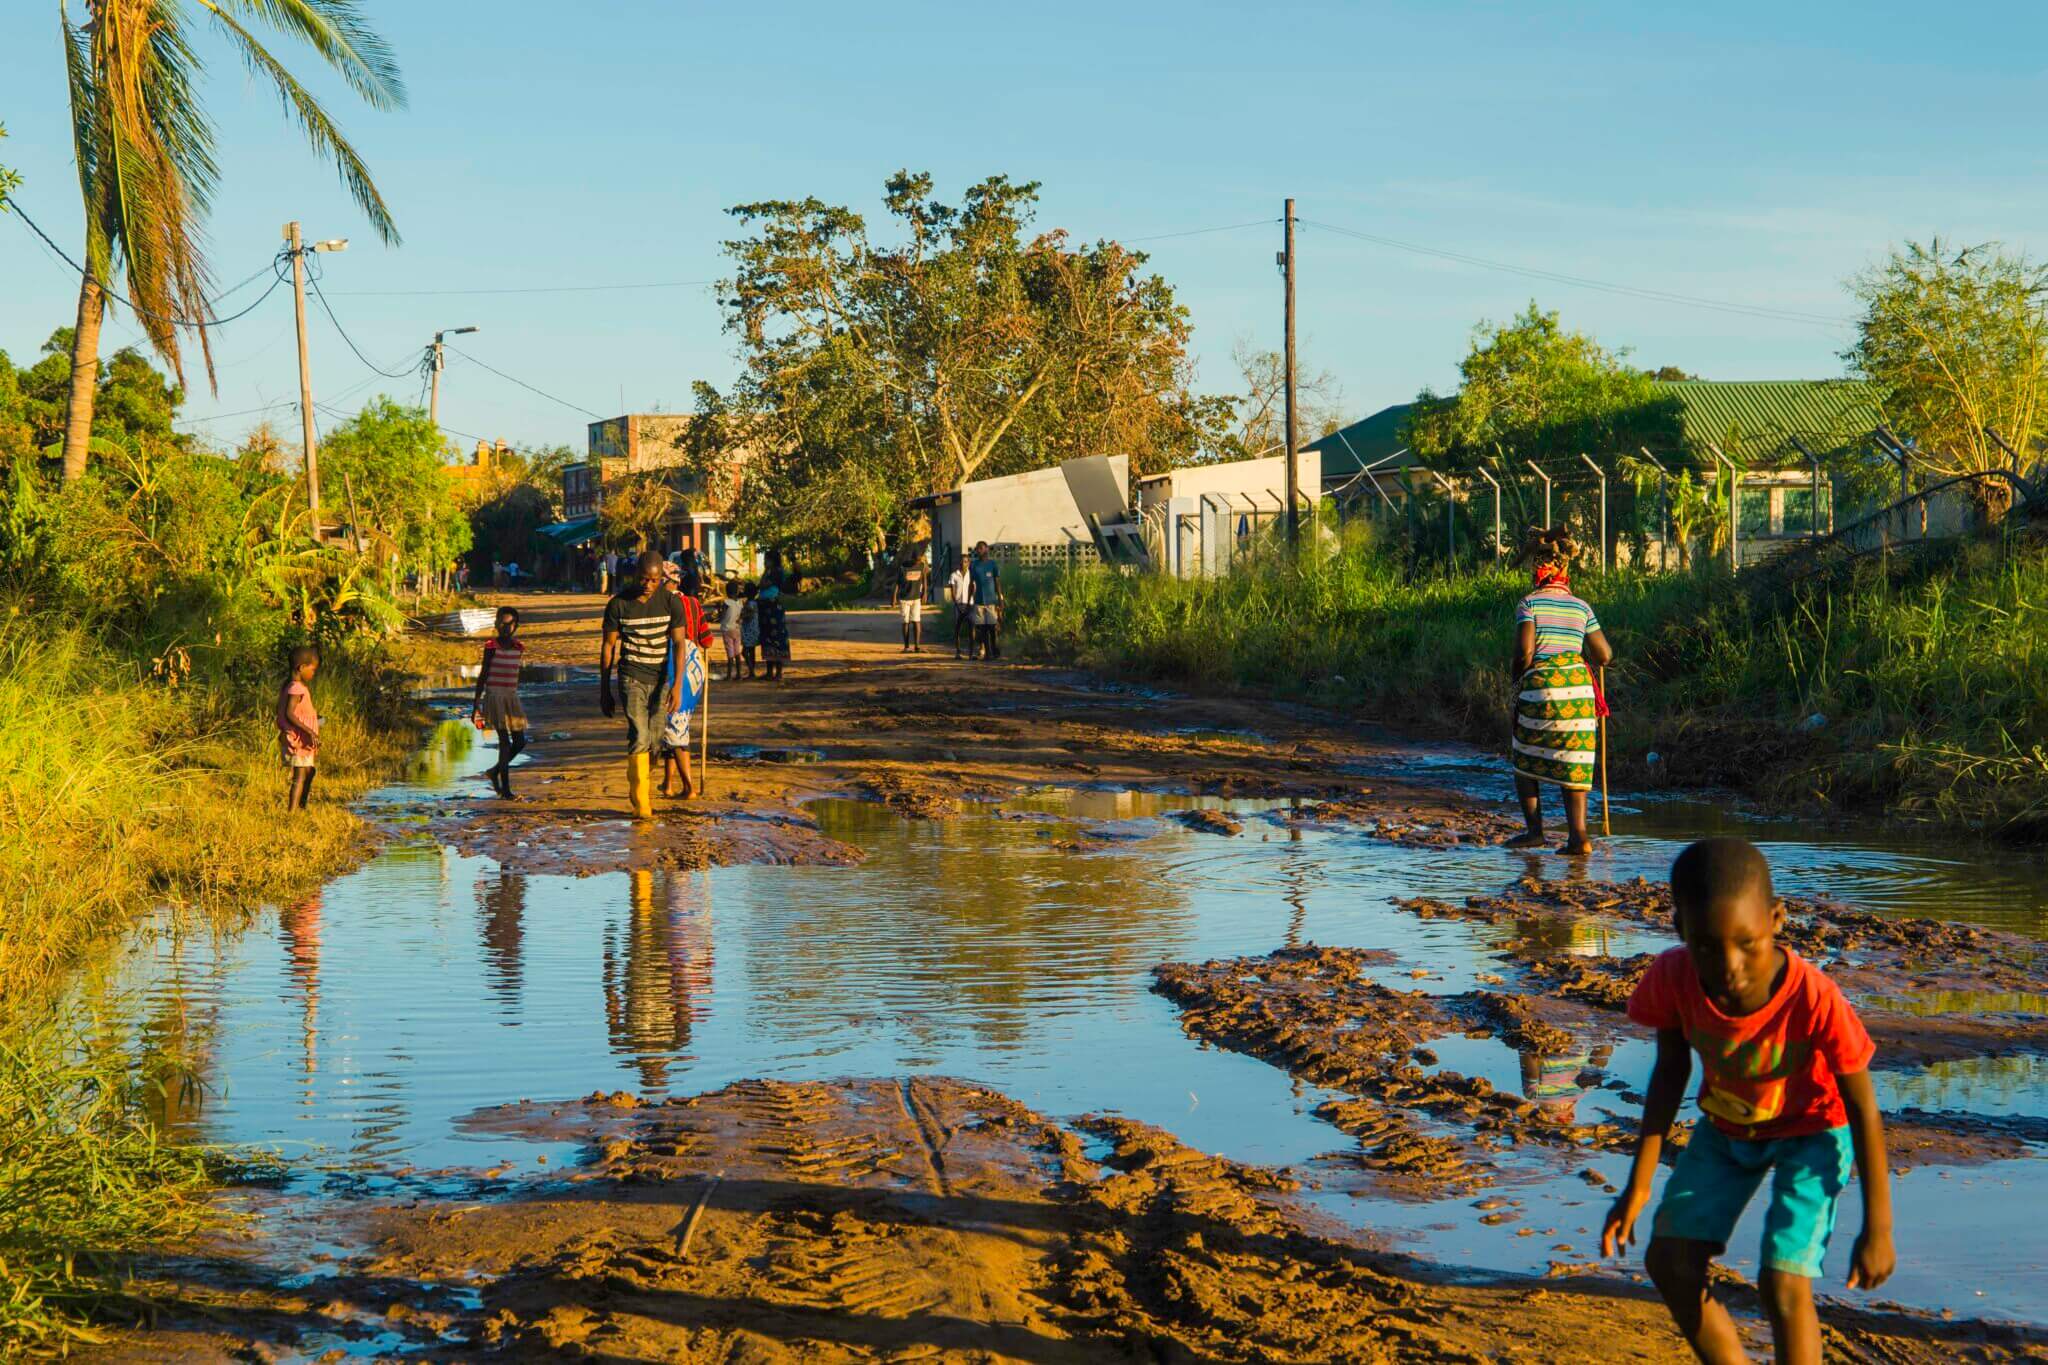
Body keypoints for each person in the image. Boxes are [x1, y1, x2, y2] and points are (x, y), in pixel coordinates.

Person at [1601, 838, 1893, 1365]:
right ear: (1680, 931)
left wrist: (1879, 1228)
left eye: (1747, 944)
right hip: (1727, 1130)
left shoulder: (1814, 998)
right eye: (1708, 946)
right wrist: (1638, 1185)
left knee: (1782, 1282)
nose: (1730, 966)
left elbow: (1863, 1110)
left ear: (1777, 919)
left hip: (1813, 1133)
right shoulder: (1672, 977)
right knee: (1669, 1260)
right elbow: (1670, 1074)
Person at [1506, 527, 1613, 854]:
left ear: (1538, 570)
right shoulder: (1582, 607)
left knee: (1524, 758)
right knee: (1573, 760)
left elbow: (1524, 653)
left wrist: (1515, 680)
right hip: (1579, 691)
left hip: (1541, 687)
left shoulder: (1529, 604)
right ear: (1564, 570)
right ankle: (1579, 837)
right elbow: (1604, 655)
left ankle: (1535, 832)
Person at [601, 550, 712, 819]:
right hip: (631, 677)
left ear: (661, 579)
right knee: (639, 734)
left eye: (653, 580)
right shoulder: (618, 604)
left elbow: (679, 644)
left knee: (655, 740)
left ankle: (637, 782)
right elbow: (608, 646)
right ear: (635, 576)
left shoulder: (670, 603)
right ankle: (642, 803)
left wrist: (676, 687)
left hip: (662, 678)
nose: (647, 585)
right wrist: (604, 688)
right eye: (643, 579)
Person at [469, 605, 528, 799]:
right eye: (502, 623)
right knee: (504, 742)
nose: (506, 627)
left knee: (519, 742)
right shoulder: (491, 646)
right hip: (494, 696)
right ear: (496, 624)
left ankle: (494, 771)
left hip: (511, 697)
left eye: (510, 624)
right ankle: (506, 789)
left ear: (516, 626)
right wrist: (476, 704)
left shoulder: (519, 648)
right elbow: (483, 675)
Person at [276, 644, 321, 812]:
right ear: (302, 668)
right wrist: (309, 730)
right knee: (300, 776)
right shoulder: (296, 688)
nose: (313, 673)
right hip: (298, 739)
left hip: (300, 738)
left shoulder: (289, 686)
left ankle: (301, 806)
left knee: (309, 772)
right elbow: (289, 713)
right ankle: (292, 812)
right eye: (313, 669)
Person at [968, 541, 1003, 661]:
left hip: (991, 601)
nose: (979, 551)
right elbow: (971, 584)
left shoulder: (992, 564)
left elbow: (997, 584)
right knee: (982, 629)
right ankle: (987, 653)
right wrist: (969, 601)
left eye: (981, 548)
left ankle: (994, 650)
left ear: (987, 549)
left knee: (992, 627)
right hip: (978, 602)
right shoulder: (973, 565)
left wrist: (1000, 600)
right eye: (977, 549)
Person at [893, 552, 929, 653]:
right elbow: (897, 583)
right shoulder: (903, 567)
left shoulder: (922, 566)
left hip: (916, 598)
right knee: (905, 622)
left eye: (919, 561)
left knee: (916, 621)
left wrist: (925, 593)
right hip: (904, 599)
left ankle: (917, 647)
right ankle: (906, 647)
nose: (917, 563)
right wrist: (894, 597)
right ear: (912, 559)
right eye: (916, 561)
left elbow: (924, 579)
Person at [945, 551, 973, 659]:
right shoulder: (954, 575)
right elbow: (952, 591)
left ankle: (971, 653)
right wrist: (956, 604)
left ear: (968, 563)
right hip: (958, 604)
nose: (963, 564)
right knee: (957, 628)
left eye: (965, 562)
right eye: (961, 562)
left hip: (969, 604)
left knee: (972, 628)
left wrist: (970, 601)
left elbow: (973, 588)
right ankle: (958, 652)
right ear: (959, 563)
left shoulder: (972, 574)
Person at [718, 578, 745, 682]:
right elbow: (740, 615)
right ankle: (739, 674)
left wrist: (719, 612)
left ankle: (729, 675)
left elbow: (722, 615)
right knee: (737, 652)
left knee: (730, 654)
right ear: (737, 592)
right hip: (736, 629)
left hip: (727, 630)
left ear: (727, 592)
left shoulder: (726, 602)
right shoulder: (739, 603)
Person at [740, 580, 760, 679]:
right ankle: (752, 671)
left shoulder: (749, 604)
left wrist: (741, 616)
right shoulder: (755, 602)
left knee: (744, 651)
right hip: (755, 629)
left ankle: (751, 670)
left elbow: (749, 615)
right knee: (751, 651)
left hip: (749, 630)